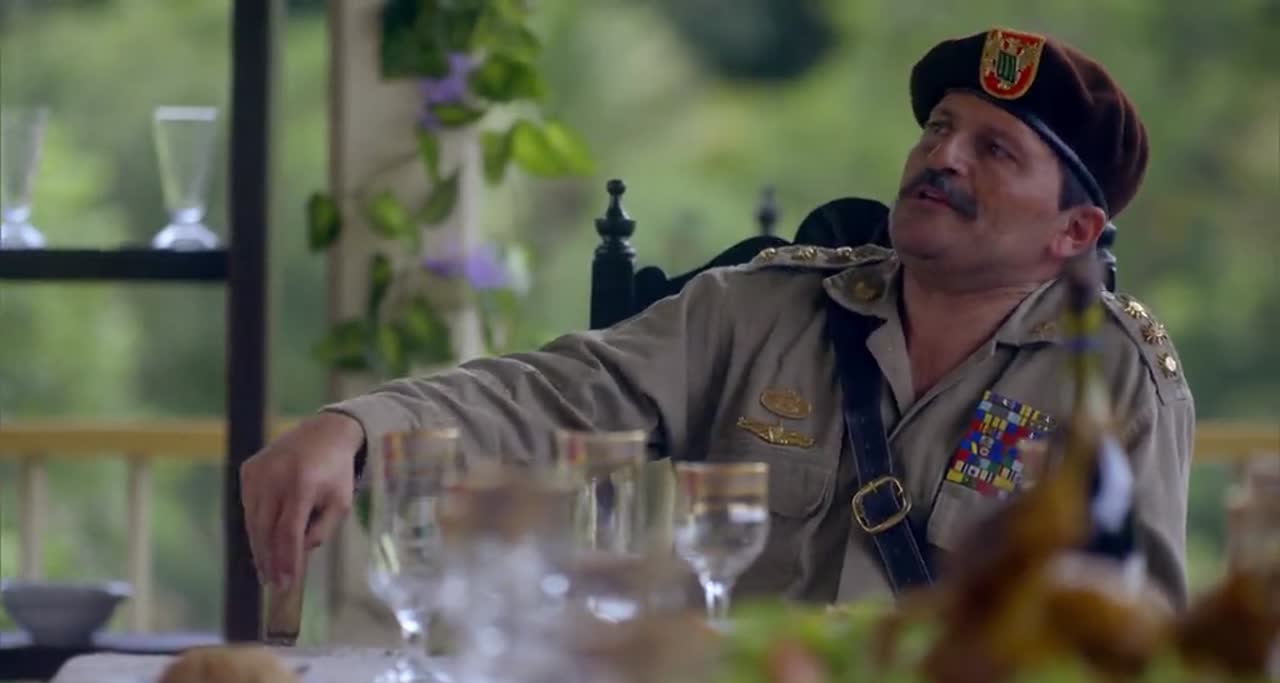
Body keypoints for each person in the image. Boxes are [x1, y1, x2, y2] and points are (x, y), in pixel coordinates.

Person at [243, 27, 1194, 609]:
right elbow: (553, 393)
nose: (942, 156)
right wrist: (357, 428)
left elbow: (1137, 636)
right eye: (939, 128)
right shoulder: (757, 311)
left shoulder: (1112, 377)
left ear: (1074, 231)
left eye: (995, 149)